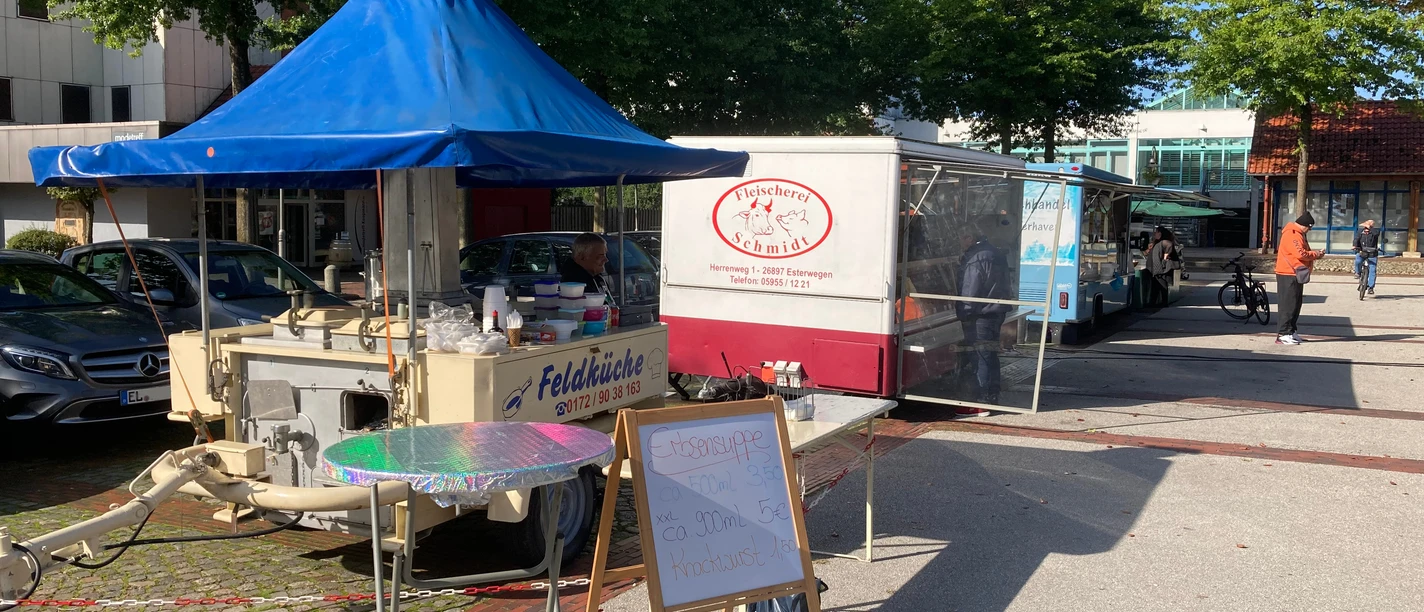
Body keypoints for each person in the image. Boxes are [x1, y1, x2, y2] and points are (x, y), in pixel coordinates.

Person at [955, 218, 1012, 414]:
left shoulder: (975, 258)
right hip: (996, 311)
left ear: (969, 238)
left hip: (980, 315)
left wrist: (963, 313)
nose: (960, 244)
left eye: (960, 240)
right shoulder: (994, 252)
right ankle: (992, 395)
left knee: (980, 357)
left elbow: (969, 292)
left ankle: (981, 401)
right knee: (990, 354)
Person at [1275, 212, 1324, 345]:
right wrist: (1316, 254)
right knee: (1288, 305)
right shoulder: (1292, 234)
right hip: (1288, 273)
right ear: (1304, 225)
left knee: (1295, 304)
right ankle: (1283, 334)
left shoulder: (1297, 234)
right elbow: (1300, 253)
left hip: (1294, 273)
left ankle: (1290, 331)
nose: (1309, 230)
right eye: (1309, 227)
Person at [1144, 227, 1176, 307]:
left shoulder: (1164, 242)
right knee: (1156, 286)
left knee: (1161, 285)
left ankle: (1163, 302)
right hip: (1155, 268)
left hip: (1160, 268)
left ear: (1160, 233)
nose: (1155, 234)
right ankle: (1153, 302)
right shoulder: (1158, 243)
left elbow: (1169, 246)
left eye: (1156, 232)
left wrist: (1164, 259)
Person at [1353, 219, 1383, 294]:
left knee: (1372, 270)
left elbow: (1376, 234)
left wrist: (1370, 227)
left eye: (1370, 224)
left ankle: (1370, 287)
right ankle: (1358, 272)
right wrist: (1355, 246)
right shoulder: (1360, 231)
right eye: (1367, 224)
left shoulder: (1375, 231)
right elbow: (1356, 239)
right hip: (1362, 251)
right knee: (1358, 261)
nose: (1367, 226)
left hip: (1372, 253)